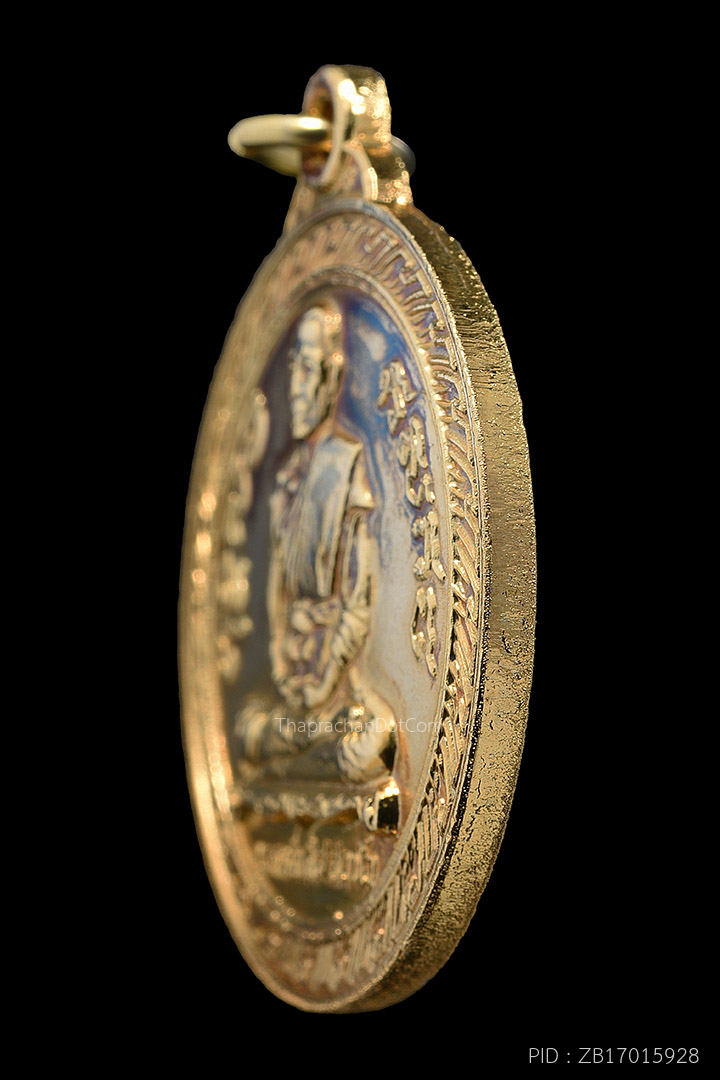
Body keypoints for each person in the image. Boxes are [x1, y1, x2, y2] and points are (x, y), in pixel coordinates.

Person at [236, 304, 398, 831]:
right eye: (292, 371)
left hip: (337, 689)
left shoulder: (347, 469)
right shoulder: (286, 480)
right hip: (296, 694)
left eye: (308, 370)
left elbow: (357, 602)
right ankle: (310, 772)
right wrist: (289, 677)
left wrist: (324, 679)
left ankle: (293, 778)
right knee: (250, 732)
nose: (296, 388)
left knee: (373, 738)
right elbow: (277, 602)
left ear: (332, 377)